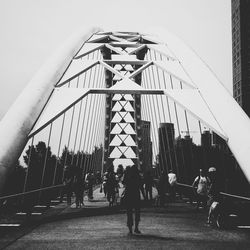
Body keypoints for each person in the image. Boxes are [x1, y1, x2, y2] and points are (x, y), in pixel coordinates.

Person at [122, 165, 142, 235]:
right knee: (137, 212)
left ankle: (130, 230)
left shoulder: (127, 175)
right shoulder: (138, 176)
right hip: (136, 195)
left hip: (128, 195)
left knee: (129, 213)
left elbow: (123, 182)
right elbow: (141, 186)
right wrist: (145, 196)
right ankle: (136, 228)